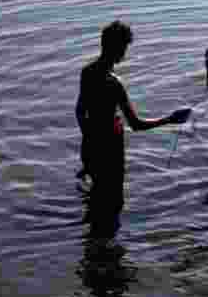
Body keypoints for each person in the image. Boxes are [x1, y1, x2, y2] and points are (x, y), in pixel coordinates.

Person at [75, 20, 190, 187]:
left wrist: (90, 138)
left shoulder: (87, 73)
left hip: (89, 148)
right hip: (111, 150)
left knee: (97, 197)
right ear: (118, 48)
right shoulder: (114, 83)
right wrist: (170, 119)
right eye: (124, 47)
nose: (125, 52)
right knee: (114, 201)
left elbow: (79, 111)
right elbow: (136, 124)